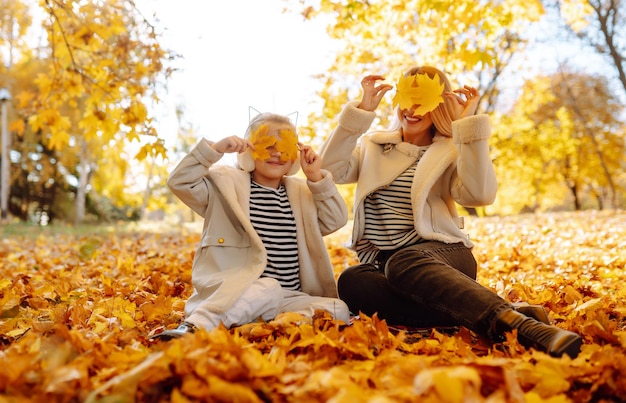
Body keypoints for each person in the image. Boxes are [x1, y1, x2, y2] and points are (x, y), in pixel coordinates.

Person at [320, 66, 583, 358]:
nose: (412, 108)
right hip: (385, 266)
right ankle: (505, 315)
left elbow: (479, 194)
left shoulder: (450, 150)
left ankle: (521, 327)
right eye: (408, 97)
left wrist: (468, 130)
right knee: (351, 281)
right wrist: (359, 115)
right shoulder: (373, 146)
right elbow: (328, 169)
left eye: (424, 100)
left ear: (440, 104)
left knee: (403, 262)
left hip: (444, 255)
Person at [153, 112, 350, 340]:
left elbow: (336, 219)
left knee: (338, 309)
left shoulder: (302, 194)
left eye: (284, 146)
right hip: (238, 291)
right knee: (269, 287)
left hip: (289, 298)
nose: (276, 153)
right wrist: (214, 150)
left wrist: (316, 177)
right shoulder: (225, 185)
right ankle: (197, 326)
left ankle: (252, 327)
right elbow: (179, 182)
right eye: (266, 145)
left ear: (295, 155)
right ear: (249, 149)